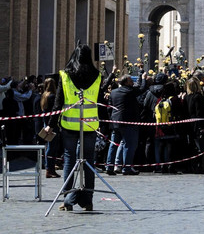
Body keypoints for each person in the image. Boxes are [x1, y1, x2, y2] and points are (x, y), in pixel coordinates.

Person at [55, 46, 101, 212]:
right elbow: (100, 100)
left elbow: (58, 102)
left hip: (69, 124)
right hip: (90, 123)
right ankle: (88, 200)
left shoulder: (65, 74)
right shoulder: (97, 75)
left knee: (69, 159)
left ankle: (68, 198)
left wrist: (51, 123)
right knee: (89, 161)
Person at [106, 74, 142, 175]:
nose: (132, 83)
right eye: (131, 81)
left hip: (115, 122)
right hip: (128, 122)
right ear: (126, 82)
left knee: (113, 145)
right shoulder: (129, 91)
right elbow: (141, 88)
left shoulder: (113, 92)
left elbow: (109, 108)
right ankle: (127, 168)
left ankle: (109, 166)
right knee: (129, 145)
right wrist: (140, 74)